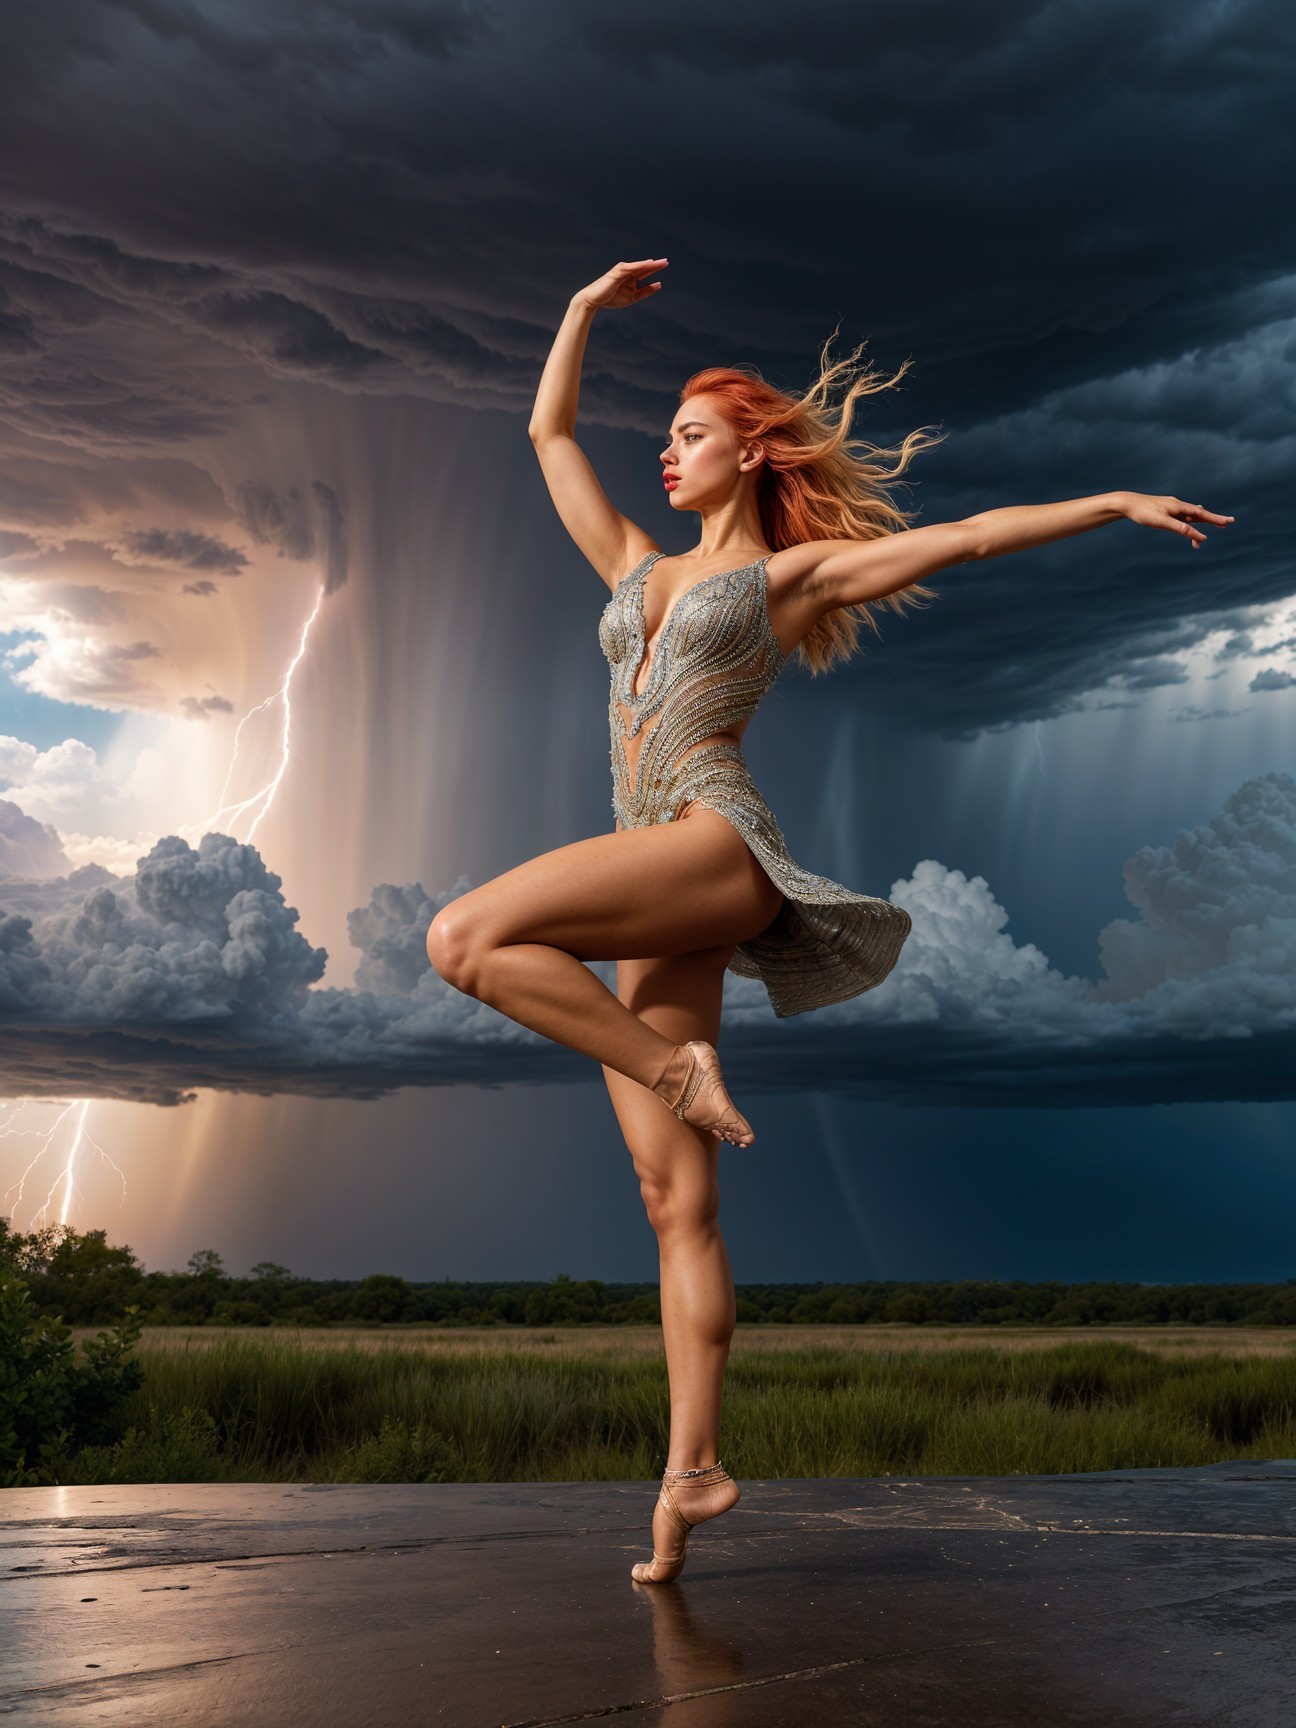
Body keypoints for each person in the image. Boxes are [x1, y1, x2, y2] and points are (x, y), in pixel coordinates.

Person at [425, 257, 1233, 1584]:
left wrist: (1112, 499)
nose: (668, 454)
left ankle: (680, 1068)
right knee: (671, 1197)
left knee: (463, 939)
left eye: (690, 434)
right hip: (650, 892)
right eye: (668, 436)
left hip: (712, 843)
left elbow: (962, 540)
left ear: (750, 452)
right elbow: (548, 434)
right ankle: (690, 1476)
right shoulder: (632, 564)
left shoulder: (788, 583)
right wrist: (574, 313)